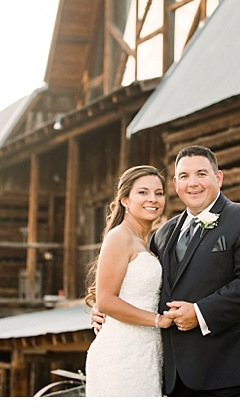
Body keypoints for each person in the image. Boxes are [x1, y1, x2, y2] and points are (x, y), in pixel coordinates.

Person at [152, 146, 240, 396]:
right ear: (176, 183)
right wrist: (108, 309)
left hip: (231, 374)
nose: (192, 183)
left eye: (201, 174)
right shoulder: (162, 234)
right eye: (184, 176)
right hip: (177, 380)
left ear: (218, 178)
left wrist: (199, 313)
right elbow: (147, 283)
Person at [82, 165, 171, 396]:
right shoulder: (119, 237)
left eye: (159, 193)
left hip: (148, 353)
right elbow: (106, 302)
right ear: (124, 200)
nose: (153, 199)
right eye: (143, 192)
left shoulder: (149, 242)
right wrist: (158, 320)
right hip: (121, 356)